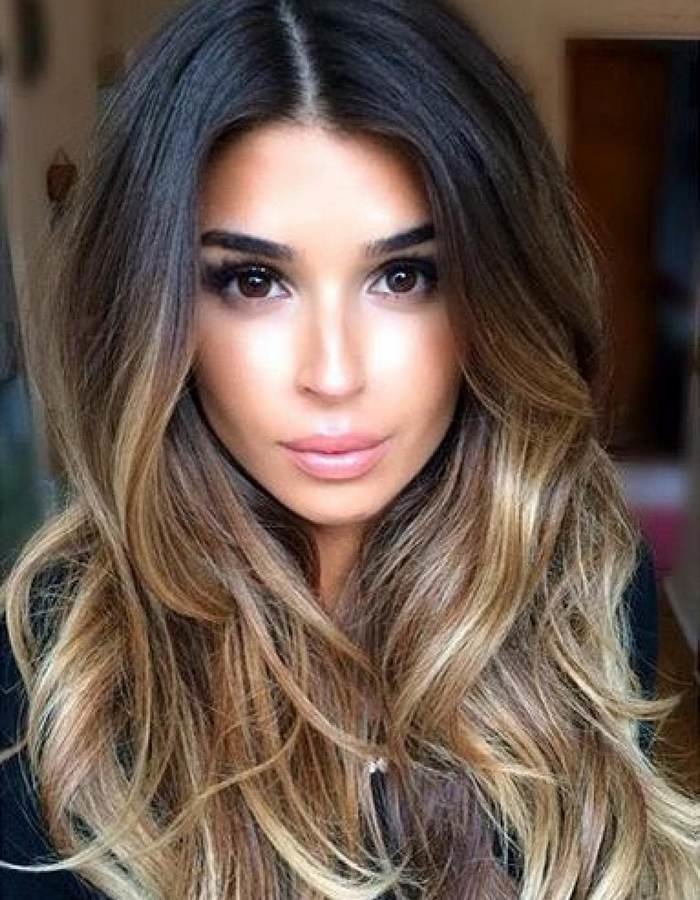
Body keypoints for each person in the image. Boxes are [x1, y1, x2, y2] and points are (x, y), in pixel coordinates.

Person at [0, 0, 697, 897]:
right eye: (254, 281)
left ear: (497, 296)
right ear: (156, 309)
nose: (333, 373)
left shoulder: (582, 580)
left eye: (404, 275)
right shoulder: (51, 679)